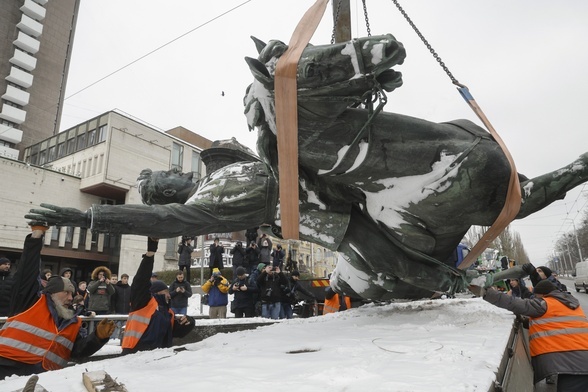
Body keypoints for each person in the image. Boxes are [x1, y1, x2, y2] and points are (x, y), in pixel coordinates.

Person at [0, 225, 114, 380]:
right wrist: (37, 236)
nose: (70, 298)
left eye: (72, 294)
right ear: (51, 293)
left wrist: (98, 338)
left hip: (46, 379)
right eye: (66, 292)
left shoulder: (73, 322)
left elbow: (78, 352)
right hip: (7, 371)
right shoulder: (30, 302)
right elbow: (27, 270)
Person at [469, 279, 588, 391]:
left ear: (542, 295)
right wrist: (525, 321)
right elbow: (553, 324)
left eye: (536, 296)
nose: (535, 298)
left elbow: (513, 303)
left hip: (573, 363)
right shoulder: (568, 304)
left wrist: (486, 292)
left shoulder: (544, 304)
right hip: (579, 359)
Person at [121, 237, 195, 355]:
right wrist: (149, 256)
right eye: (165, 291)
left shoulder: (168, 313)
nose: (169, 295)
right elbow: (140, 281)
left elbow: (177, 332)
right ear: (157, 293)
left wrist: (189, 322)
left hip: (158, 358)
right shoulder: (143, 303)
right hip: (134, 353)